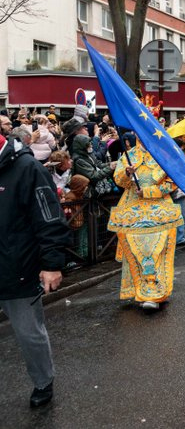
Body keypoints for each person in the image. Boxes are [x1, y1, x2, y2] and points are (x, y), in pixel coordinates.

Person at [0, 131, 71, 407]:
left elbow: (49, 218)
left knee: (29, 333)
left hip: (18, 267)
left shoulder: (28, 168)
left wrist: (51, 265)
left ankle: (43, 381)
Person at [108, 139, 182, 311]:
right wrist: (127, 173)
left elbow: (173, 180)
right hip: (132, 212)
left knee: (155, 251)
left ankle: (154, 293)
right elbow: (118, 180)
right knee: (136, 251)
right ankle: (139, 291)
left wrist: (149, 192)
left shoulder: (163, 153)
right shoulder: (130, 155)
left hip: (160, 211)